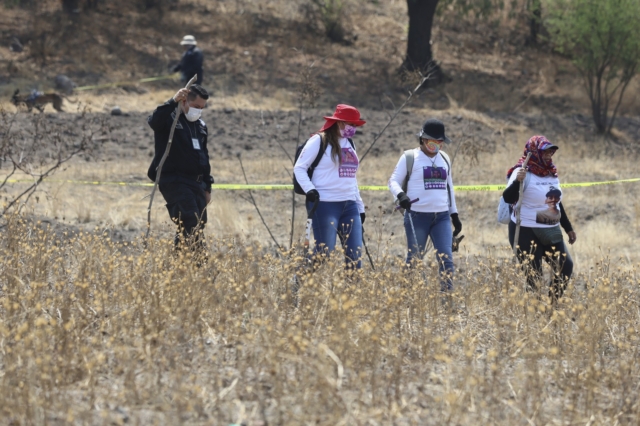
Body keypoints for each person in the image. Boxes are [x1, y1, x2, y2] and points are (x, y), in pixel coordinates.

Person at [388, 119, 462, 292]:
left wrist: (454, 215)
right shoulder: (410, 157)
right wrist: (401, 196)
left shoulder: (445, 158)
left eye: (439, 142)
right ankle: (406, 295)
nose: (436, 145)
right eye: (432, 141)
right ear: (422, 139)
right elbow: (393, 182)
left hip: (442, 217)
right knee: (414, 258)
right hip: (417, 217)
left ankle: (447, 299)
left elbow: (449, 187)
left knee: (446, 259)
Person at [502, 135, 577, 301]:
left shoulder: (551, 173)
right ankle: (534, 313)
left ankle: (552, 305)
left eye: (551, 152)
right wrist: (517, 182)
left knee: (565, 266)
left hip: (550, 228)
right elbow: (508, 198)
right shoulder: (521, 171)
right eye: (544, 152)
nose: (548, 155)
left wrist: (568, 228)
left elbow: (557, 202)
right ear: (534, 152)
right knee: (534, 276)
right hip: (525, 230)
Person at [293, 104, 367, 269]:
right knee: (324, 253)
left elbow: (351, 178)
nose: (354, 128)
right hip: (325, 204)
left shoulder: (350, 144)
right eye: (351, 124)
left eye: (355, 125)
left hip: (349, 205)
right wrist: (310, 189)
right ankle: (298, 283)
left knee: (355, 258)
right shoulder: (318, 141)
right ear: (339, 122)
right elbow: (299, 168)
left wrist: (360, 207)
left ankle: (352, 294)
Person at [147, 84, 214, 247]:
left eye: (202, 108)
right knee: (191, 220)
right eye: (196, 106)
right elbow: (154, 121)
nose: (198, 111)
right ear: (184, 101)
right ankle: (200, 265)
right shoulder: (169, 119)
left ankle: (179, 265)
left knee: (196, 225)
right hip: (174, 181)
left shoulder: (200, 126)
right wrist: (172, 101)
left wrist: (207, 187)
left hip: (196, 183)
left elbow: (204, 156)